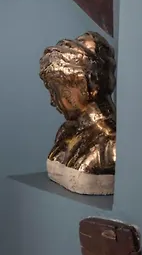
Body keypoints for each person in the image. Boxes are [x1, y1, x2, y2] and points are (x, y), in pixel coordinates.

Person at [38, 31, 116, 195]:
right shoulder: (66, 132)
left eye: (59, 92)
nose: (53, 101)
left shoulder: (110, 145)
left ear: (87, 86)